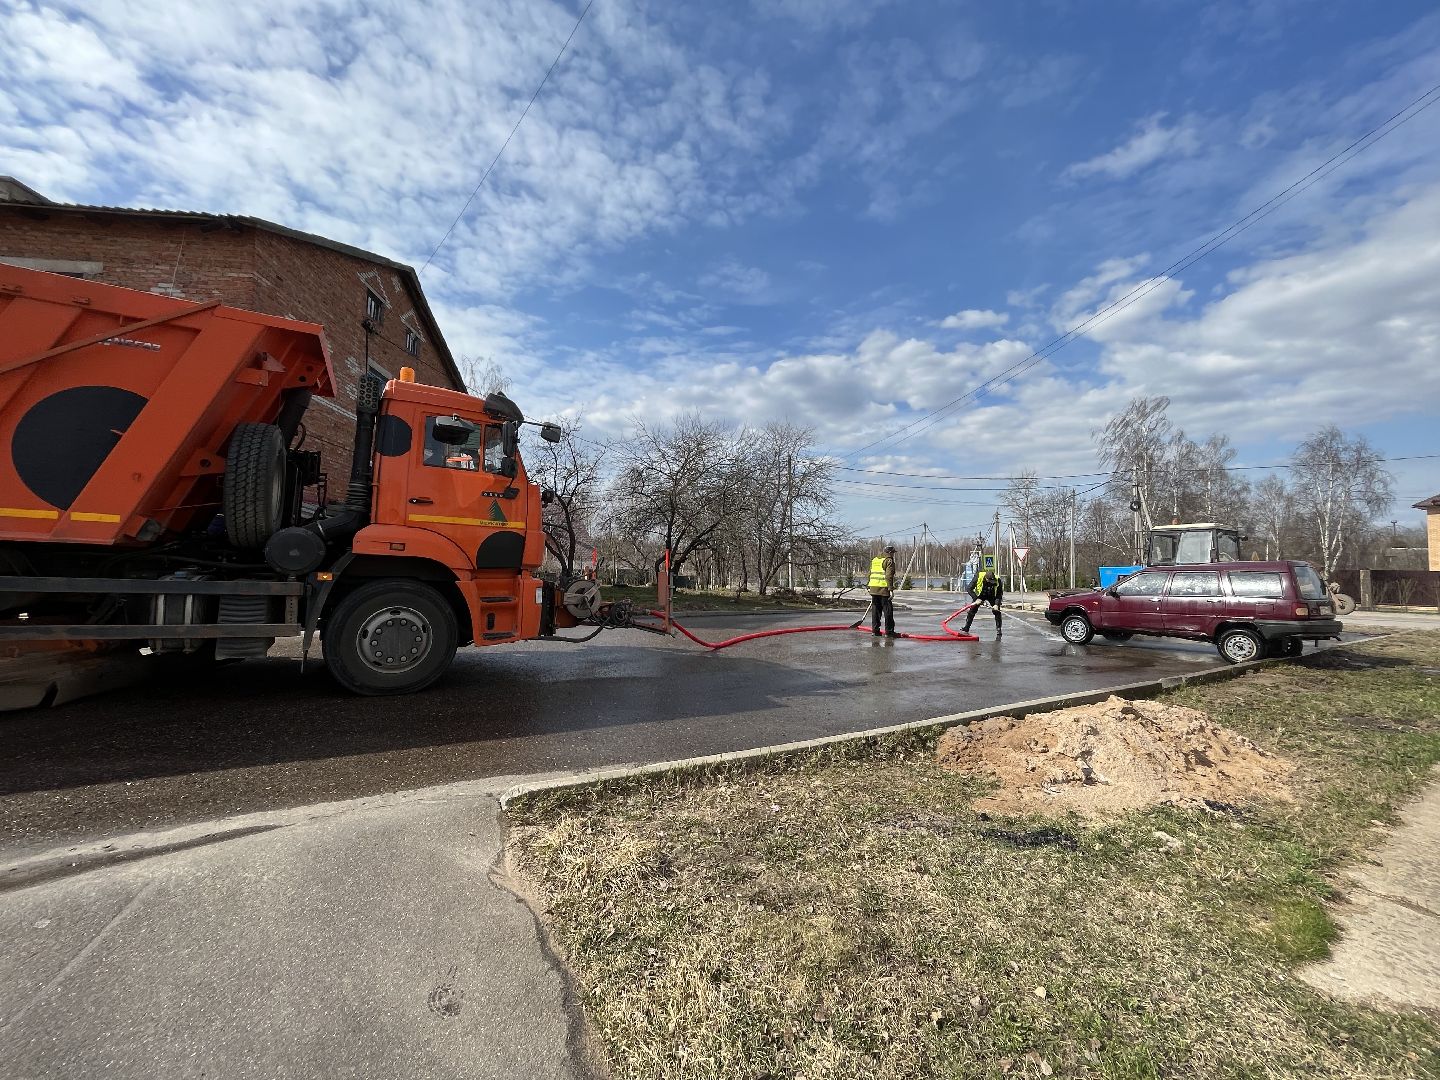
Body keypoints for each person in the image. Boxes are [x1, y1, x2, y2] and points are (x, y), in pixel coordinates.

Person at [962, 564, 1004, 638]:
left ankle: (999, 629)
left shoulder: (998, 580)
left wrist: (996, 604)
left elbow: (999, 594)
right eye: (990, 581)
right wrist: (976, 599)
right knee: (972, 610)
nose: (991, 582)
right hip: (980, 595)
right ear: (986, 578)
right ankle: (966, 628)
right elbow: (969, 588)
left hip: (992, 595)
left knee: (997, 611)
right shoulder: (978, 577)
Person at [867, 545, 898, 637]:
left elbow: (870, 573)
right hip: (884, 589)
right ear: (889, 552)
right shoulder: (889, 560)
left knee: (876, 611)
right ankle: (889, 632)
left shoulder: (875, 560)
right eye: (892, 553)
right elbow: (889, 576)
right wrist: (891, 589)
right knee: (888, 611)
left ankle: (875, 631)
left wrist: (869, 585)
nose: (893, 554)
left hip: (873, 588)